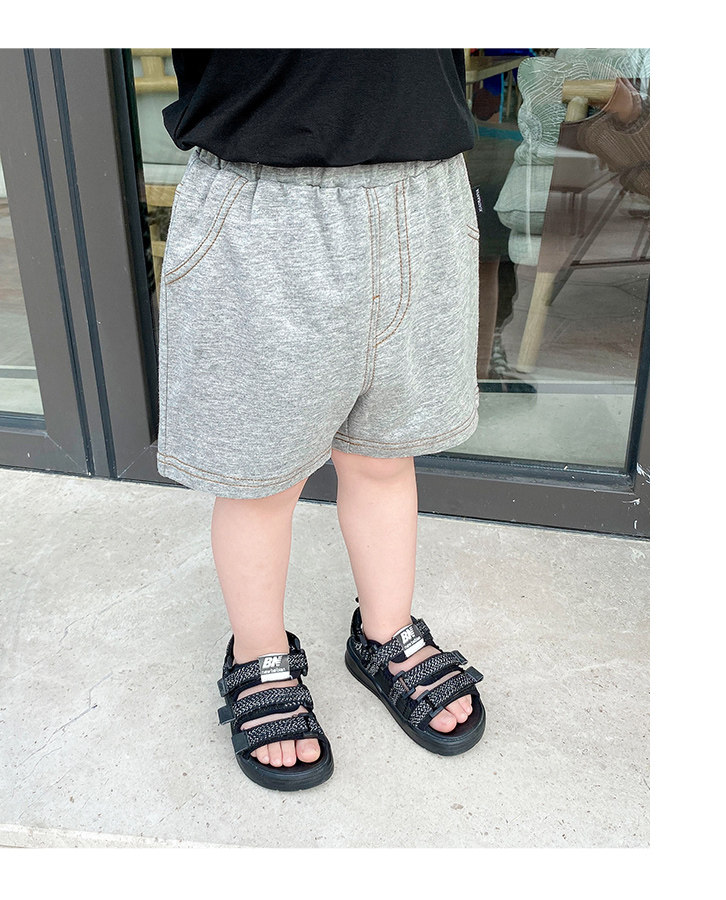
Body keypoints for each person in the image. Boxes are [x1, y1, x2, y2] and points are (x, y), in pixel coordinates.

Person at [158, 48, 486, 791]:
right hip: (264, 201)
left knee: (384, 456)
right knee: (259, 480)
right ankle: (259, 652)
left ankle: (385, 631)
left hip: (423, 191)